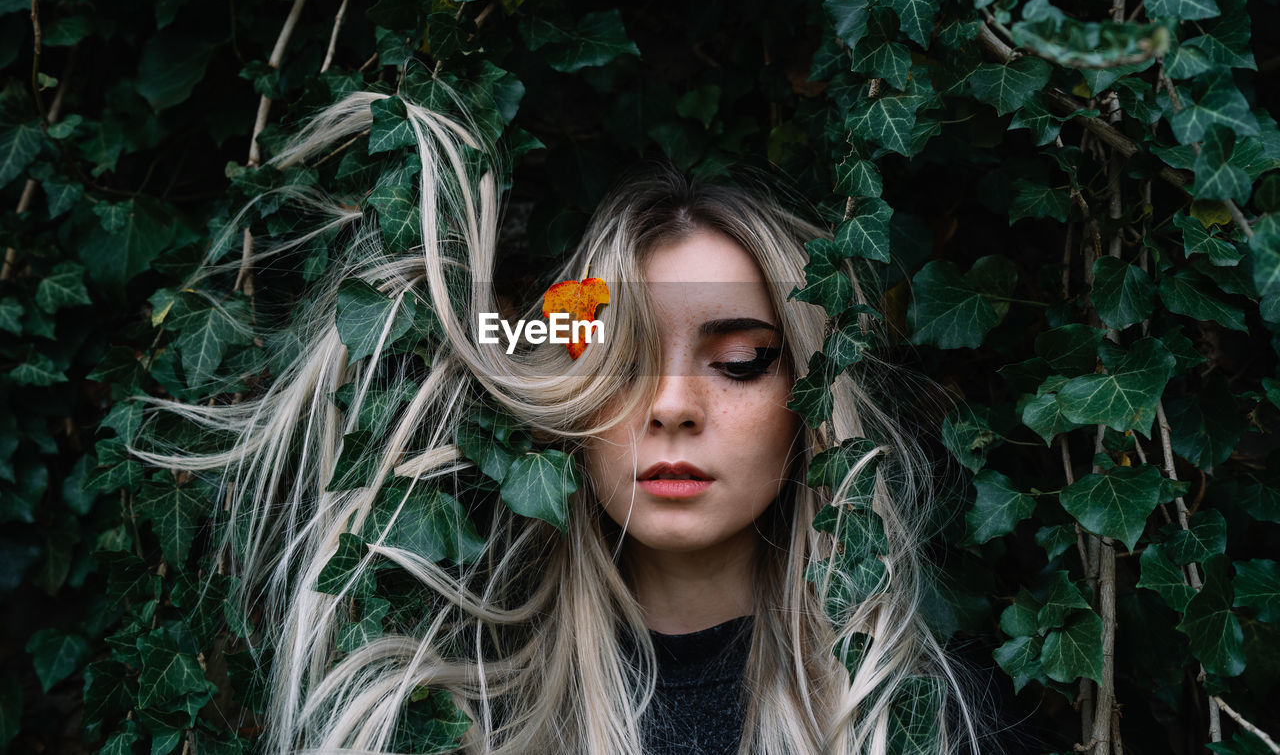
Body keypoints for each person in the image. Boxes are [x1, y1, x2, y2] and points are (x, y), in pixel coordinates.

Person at [139, 89, 1015, 753]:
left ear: (811, 404)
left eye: (741, 359)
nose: (672, 405)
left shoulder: (914, 713)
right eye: (623, 362)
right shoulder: (457, 719)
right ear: (567, 402)